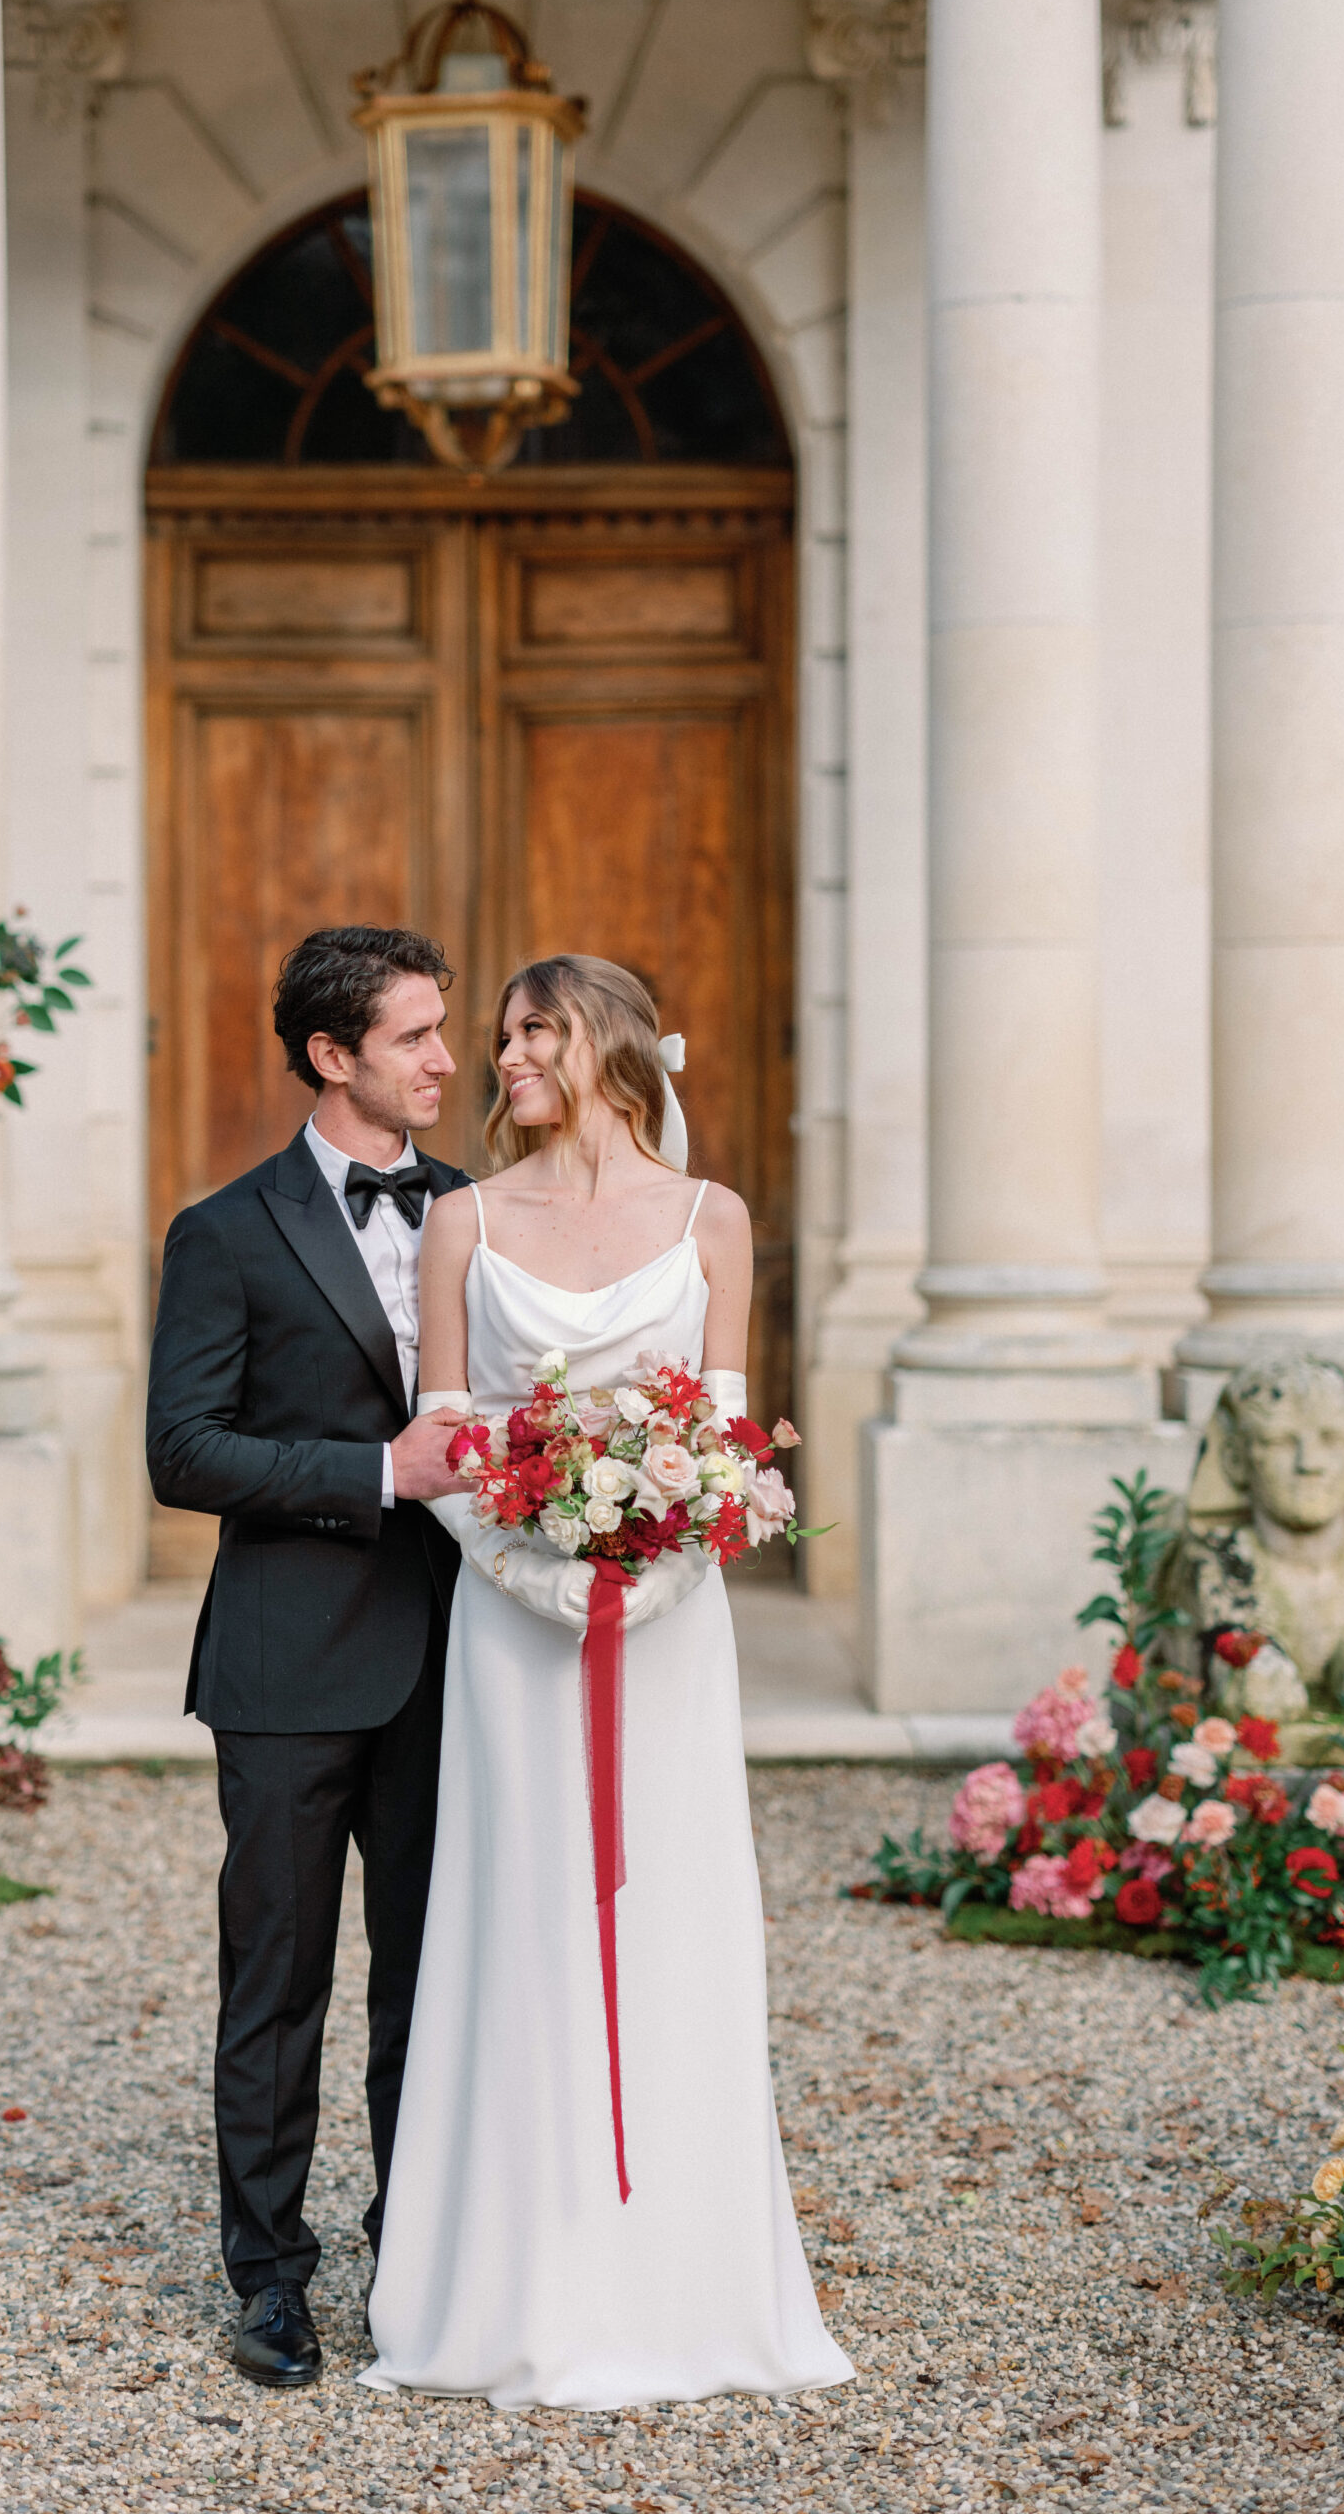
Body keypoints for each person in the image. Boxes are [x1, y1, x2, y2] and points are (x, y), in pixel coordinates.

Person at [362, 953, 855, 2410]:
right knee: (519, 1917)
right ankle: (511, 2287)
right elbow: (444, 1432)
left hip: (667, 1631)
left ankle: (688, 2289)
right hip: (513, 1627)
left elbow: (734, 1441)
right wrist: (537, 1576)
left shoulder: (716, 1221)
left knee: (669, 1917)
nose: (499, 1059)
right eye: (500, 1034)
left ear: (609, 1048)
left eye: (529, 1032)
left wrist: (652, 1576)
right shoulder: (463, 1220)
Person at [146, 926, 475, 2390]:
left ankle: (415, 2255)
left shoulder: (479, 1207)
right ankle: (270, 2278)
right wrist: (381, 1470)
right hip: (285, 1668)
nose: (450, 1061)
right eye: (418, 1037)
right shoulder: (222, 1231)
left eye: (447, 1030)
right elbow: (183, 1449)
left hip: (465, 1664)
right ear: (333, 1056)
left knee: (434, 1982)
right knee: (275, 1986)